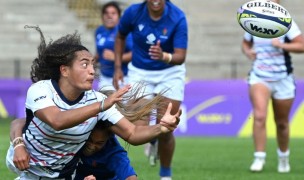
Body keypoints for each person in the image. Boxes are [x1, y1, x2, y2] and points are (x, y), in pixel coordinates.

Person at [6, 25, 180, 180]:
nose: (91, 71)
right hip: (24, 166)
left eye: (92, 64)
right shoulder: (42, 90)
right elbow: (56, 121)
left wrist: (161, 128)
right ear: (65, 70)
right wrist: (19, 144)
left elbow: (133, 133)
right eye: (84, 65)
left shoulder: (98, 100)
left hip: (59, 176)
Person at [113, 0, 188, 179]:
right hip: (140, 72)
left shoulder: (177, 17)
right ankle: (152, 139)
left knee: (166, 126)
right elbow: (120, 36)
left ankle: (165, 174)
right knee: (137, 127)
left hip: (170, 72)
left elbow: (181, 56)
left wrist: (164, 56)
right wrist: (117, 67)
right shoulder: (133, 12)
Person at [241, 0, 304, 173]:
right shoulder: (253, 21)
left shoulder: (286, 23)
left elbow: (301, 45)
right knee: (260, 116)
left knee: (282, 122)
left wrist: (281, 45)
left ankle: (283, 157)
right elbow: (245, 43)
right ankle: (259, 158)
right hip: (259, 76)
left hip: (283, 78)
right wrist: (248, 51)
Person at [8, 118, 137, 180]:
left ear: (108, 138)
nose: (92, 146)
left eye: (99, 143)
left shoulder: (114, 152)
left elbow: (131, 178)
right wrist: (19, 146)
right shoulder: (72, 132)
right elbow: (17, 123)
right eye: (90, 140)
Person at [95, 1, 133, 91]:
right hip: (104, 76)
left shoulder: (124, 32)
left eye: (113, 13)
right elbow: (99, 52)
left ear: (119, 16)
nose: (109, 16)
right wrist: (92, 61)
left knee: (122, 104)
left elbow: (135, 54)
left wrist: (115, 57)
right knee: (105, 103)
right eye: (106, 13)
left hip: (123, 77)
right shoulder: (99, 31)